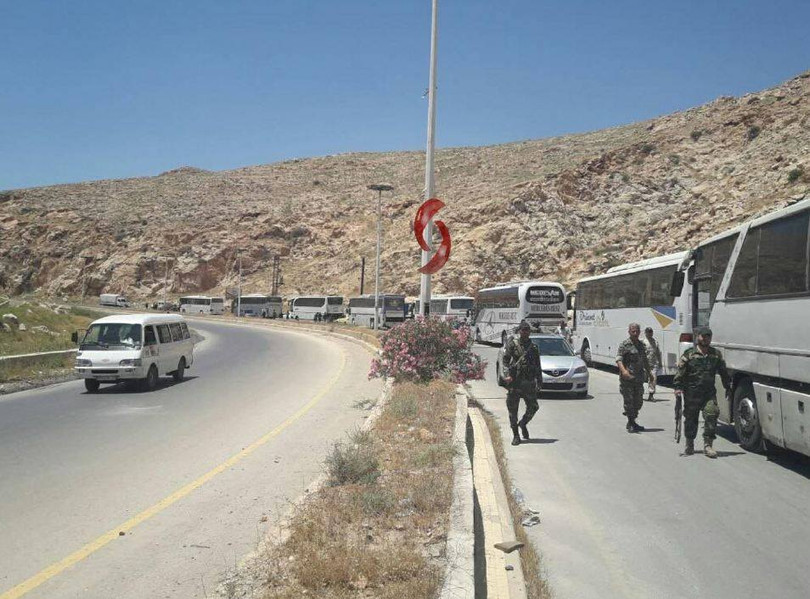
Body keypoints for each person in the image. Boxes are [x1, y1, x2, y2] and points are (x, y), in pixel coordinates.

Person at [673, 326, 731, 458]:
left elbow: (723, 372)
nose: (705, 339)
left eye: (708, 336)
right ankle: (689, 444)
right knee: (691, 420)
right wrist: (677, 387)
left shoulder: (716, 354)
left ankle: (708, 445)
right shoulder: (689, 354)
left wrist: (728, 387)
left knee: (712, 414)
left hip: (708, 393)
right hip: (692, 394)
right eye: (703, 336)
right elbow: (680, 372)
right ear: (698, 337)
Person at [500, 320, 543, 446]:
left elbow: (537, 365)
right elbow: (505, 361)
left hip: (528, 383)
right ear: (519, 331)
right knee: (513, 411)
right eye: (523, 330)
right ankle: (516, 435)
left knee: (534, 407)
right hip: (515, 383)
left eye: (527, 330)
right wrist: (507, 375)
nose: (525, 332)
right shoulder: (513, 345)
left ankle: (523, 423)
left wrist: (539, 380)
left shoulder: (534, 347)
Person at [616, 323, 652, 432]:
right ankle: (631, 422)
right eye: (633, 331)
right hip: (627, 379)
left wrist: (650, 374)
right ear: (629, 332)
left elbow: (645, 360)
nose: (635, 333)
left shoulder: (641, 345)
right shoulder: (625, 345)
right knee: (629, 402)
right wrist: (624, 371)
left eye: (637, 331)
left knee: (638, 402)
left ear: (639, 332)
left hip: (639, 378)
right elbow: (619, 359)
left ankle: (632, 421)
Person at [642, 327, 662, 401]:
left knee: (653, 379)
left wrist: (660, 362)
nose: (650, 334)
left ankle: (651, 395)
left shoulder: (655, 342)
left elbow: (658, 353)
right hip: (644, 364)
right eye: (648, 332)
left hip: (653, 364)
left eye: (651, 332)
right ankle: (638, 394)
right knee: (641, 379)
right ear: (645, 333)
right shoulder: (642, 342)